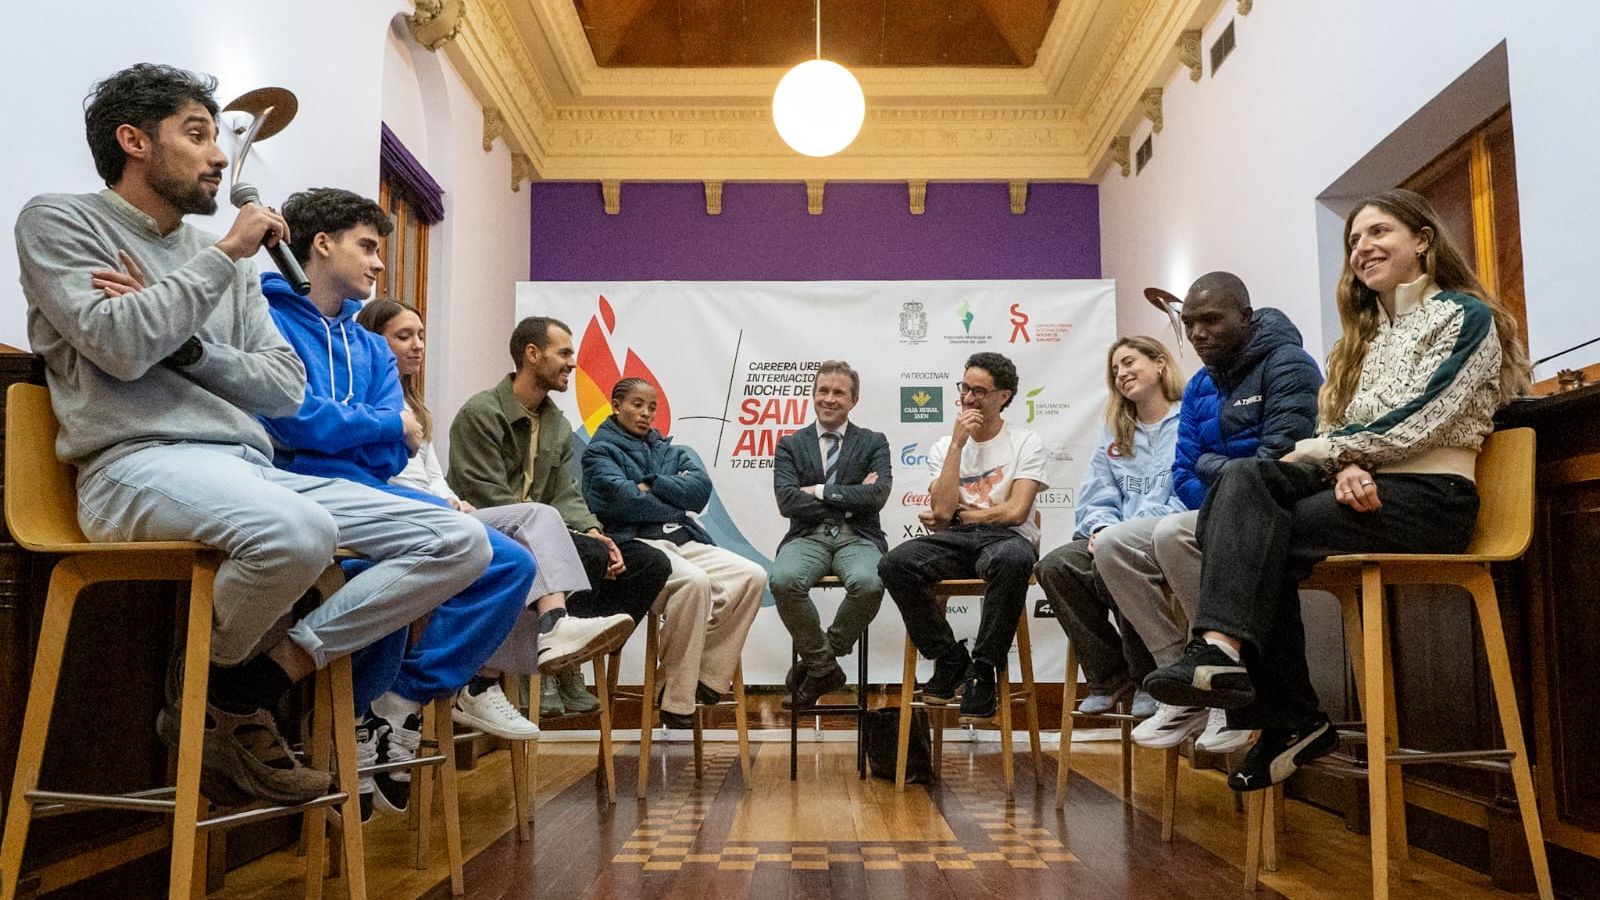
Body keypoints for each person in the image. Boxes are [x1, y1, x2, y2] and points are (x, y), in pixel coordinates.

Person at [14, 64, 488, 805]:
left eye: (217, 136)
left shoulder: (225, 276)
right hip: (132, 465)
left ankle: (236, 688)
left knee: (461, 543)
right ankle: (218, 694)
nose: (216, 157)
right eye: (197, 134)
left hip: (247, 466)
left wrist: (184, 342)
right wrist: (223, 255)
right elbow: (118, 346)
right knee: (298, 531)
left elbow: (282, 385)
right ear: (133, 140)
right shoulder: (63, 221)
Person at [1143, 189, 1530, 791]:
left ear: (1422, 239)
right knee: (1242, 482)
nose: (1362, 248)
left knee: (1253, 527)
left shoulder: (1463, 315)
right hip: (1364, 487)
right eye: (1353, 240)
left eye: (1378, 233)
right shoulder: (1366, 336)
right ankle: (1224, 656)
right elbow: (1333, 424)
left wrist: (1341, 454)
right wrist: (1343, 460)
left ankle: (1284, 712)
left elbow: (1424, 417)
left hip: (1432, 499)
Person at [355, 296, 632, 725]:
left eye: (421, 336)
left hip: (442, 512)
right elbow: (379, 479)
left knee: (527, 556)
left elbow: (431, 475)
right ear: (372, 341)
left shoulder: (414, 406)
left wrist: (451, 499)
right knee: (531, 529)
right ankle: (536, 644)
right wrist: (444, 501)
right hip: (403, 518)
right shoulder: (376, 404)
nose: (417, 345)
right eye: (403, 336)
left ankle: (496, 673)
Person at [1096, 272, 1322, 752]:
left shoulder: (1289, 366)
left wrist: (1214, 468)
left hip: (1274, 513)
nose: (1198, 333)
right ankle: (1180, 679)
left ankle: (1220, 679)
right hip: (1218, 508)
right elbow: (1184, 472)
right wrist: (1221, 474)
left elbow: (1276, 463)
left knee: (1172, 535)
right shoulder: (1199, 385)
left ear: (1246, 316)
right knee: (1113, 544)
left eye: (1211, 320)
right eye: (1191, 323)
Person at [448, 317, 672, 717]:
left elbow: (565, 492)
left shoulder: (557, 423)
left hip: (546, 531)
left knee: (647, 563)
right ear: (532, 355)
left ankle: (566, 658)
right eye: (565, 353)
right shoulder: (480, 412)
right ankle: (544, 658)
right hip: (489, 535)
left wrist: (594, 530)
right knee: (585, 554)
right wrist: (570, 535)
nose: (572, 364)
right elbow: (483, 493)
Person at [581, 378, 766, 729]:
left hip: (685, 539)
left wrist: (651, 483)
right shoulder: (600, 452)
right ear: (616, 404)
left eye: (651, 407)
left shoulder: (669, 449)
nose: (646, 413)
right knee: (694, 583)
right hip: (640, 545)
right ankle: (677, 701)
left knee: (753, 576)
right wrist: (670, 499)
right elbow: (624, 503)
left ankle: (705, 678)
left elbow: (699, 492)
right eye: (637, 404)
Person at [878, 352, 1047, 722]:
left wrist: (965, 514)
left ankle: (983, 671)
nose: (968, 398)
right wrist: (957, 445)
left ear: (1003, 396)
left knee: (1013, 560)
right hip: (958, 539)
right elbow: (940, 513)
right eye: (965, 388)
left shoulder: (1026, 441)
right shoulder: (945, 446)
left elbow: (1016, 512)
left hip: (1007, 538)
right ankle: (950, 658)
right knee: (896, 563)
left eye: (979, 392)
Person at [1033, 336, 1184, 723]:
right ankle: (1110, 676)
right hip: (1111, 535)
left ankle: (1151, 677)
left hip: (1165, 537)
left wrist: (1120, 535)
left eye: (1129, 362)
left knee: (1112, 560)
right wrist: (1102, 526)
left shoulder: (1188, 421)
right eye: (1115, 369)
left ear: (1160, 363)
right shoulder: (1115, 429)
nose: (1121, 373)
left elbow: (1190, 494)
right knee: (1054, 566)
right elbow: (1097, 492)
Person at [769, 361, 892, 710]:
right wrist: (851, 498)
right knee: (783, 580)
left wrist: (820, 491)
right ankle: (825, 668)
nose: (829, 398)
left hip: (859, 536)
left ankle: (817, 662)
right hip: (808, 536)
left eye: (839, 392)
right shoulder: (791, 444)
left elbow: (877, 495)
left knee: (869, 584)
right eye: (823, 390)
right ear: (813, 395)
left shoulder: (873, 442)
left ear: (853, 400)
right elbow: (787, 500)